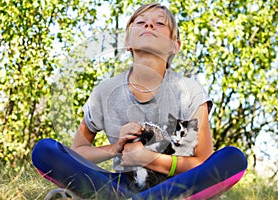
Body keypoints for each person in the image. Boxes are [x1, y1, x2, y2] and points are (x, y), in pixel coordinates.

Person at [32, 3, 247, 199]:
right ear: (128, 41)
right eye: (141, 22)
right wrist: (115, 148)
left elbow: (201, 164)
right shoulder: (105, 92)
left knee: (233, 158)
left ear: (175, 45)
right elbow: (78, 152)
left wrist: (148, 159)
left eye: (159, 23)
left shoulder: (189, 91)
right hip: (124, 184)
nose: (149, 25)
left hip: (174, 183)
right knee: (45, 150)